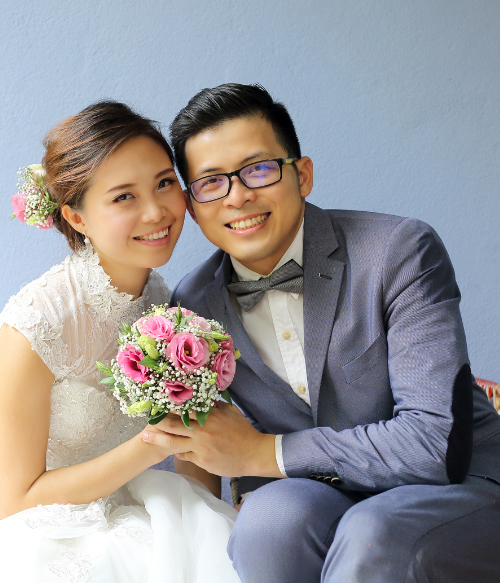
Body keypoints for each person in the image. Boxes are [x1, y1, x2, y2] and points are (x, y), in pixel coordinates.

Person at [142, 83, 500, 582]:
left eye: (259, 169)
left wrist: (262, 452)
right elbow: (198, 434)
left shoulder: (398, 250)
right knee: (268, 525)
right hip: (319, 488)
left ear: (302, 174)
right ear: (192, 204)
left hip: (460, 482)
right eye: (211, 182)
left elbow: (434, 442)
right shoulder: (194, 305)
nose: (238, 195)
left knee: (373, 531)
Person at [0, 101, 240, 583]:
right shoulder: (37, 322)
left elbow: (193, 449)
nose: (156, 211)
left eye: (164, 183)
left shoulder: (166, 302)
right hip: (46, 532)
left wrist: (212, 517)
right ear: (77, 217)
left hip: (139, 506)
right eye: (123, 197)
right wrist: (152, 447)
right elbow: (14, 499)